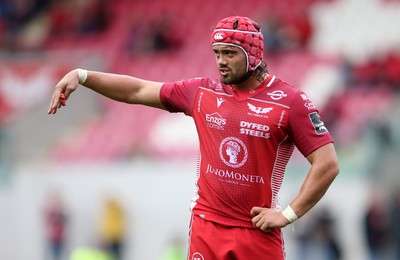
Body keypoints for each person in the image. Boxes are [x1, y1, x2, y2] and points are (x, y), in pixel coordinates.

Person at [48, 16, 339, 259]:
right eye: (217, 53)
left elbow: (327, 164)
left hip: (257, 232)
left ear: (253, 55)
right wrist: (83, 75)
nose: (221, 61)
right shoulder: (202, 92)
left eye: (230, 53)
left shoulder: (290, 101)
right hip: (207, 226)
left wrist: (288, 214)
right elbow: (137, 90)